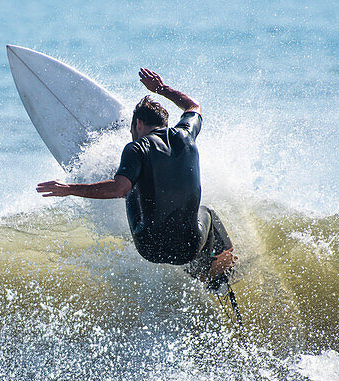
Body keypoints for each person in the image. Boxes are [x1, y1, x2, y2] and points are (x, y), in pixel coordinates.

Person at [36, 68, 237, 296]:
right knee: (207, 212)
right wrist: (162, 89)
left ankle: (200, 270)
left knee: (131, 185)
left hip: (151, 247)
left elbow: (119, 188)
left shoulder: (136, 147)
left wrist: (70, 189)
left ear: (138, 124)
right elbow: (194, 107)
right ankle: (218, 269)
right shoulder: (186, 134)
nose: (132, 134)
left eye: (132, 130)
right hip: (189, 247)